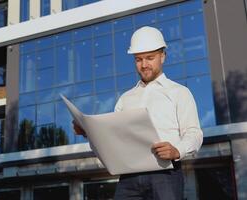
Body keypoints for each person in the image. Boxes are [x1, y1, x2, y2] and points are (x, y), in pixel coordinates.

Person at [73, 26, 203, 200]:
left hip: (165, 176)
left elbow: (194, 133)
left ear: (163, 56)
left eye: (150, 58)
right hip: (129, 179)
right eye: (138, 59)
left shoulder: (179, 92)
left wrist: (177, 150)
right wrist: (89, 133)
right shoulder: (125, 99)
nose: (144, 65)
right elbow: (113, 141)